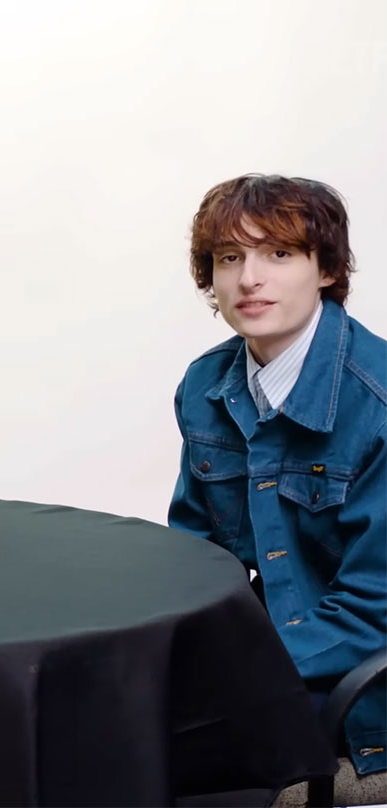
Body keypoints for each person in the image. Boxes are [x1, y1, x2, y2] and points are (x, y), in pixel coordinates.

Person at [168, 174, 386, 793]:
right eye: (229, 258)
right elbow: (197, 557)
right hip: (261, 668)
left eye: (279, 253)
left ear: (326, 269)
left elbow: (377, 610)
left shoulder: (379, 404)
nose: (248, 278)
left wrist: (230, 676)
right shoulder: (205, 387)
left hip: (360, 703)